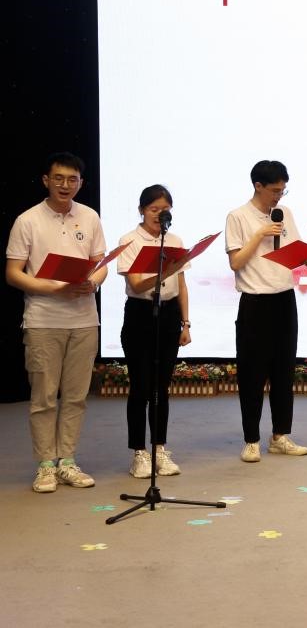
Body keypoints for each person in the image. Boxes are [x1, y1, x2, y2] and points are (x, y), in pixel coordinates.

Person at [5, 152, 106, 493]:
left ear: (81, 183)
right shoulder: (27, 220)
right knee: (44, 398)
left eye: (72, 179)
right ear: (46, 180)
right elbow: (13, 273)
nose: (65, 185)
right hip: (43, 320)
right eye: (59, 178)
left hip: (84, 320)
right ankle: (46, 465)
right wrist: (53, 288)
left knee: (76, 397)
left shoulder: (89, 217)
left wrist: (94, 282)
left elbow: (100, 263)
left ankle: (68, 461)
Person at [225, 160, 307, 462]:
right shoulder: (237, 216)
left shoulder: (284, 213)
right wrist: (259, 234)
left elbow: (293, 250)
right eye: (274, 190)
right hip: (254, 302)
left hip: (284, 299)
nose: (279, 196)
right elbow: (236, 262)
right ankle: (251, 440)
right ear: (258, 186)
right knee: (252, 374)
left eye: (283, 190)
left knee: (283, 372)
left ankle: (280, 436)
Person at [115, 184, 193, 478]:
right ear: (142, 210)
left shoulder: (174, 240)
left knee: (162, 387)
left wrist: (185, 323)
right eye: (154, 209)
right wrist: (167, 270)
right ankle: (139, 452)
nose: (160, 215)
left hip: (169, 314)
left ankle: (160, 448)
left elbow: (181, 285)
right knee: (141, 387)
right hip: (140, 314)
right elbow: (136, 284)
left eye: (165, 210)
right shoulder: (129, 240)